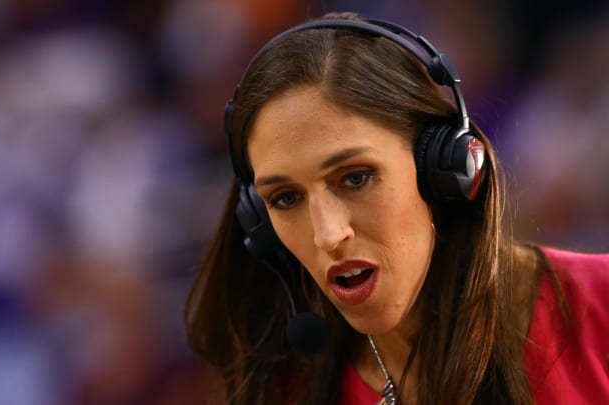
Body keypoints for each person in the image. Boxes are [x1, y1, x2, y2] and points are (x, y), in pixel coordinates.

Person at [184, 11, 609, 405]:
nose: (328, 234)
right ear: (258, 221)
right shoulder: (284, 388)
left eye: (355, 178)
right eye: (286, 199)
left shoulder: (600, 302)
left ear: (443, 166)